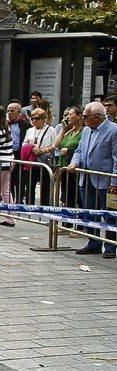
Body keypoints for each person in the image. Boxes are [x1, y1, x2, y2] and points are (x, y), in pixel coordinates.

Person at [67, 102, 117, 258]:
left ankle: (110, 246)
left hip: (105, 180)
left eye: (85, 116)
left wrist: (114, 182)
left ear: (96, 117)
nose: (83, 119)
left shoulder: (113, 130)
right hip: (86, 179)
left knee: (109, 214)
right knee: (89, 212)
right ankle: (94, 242)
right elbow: (80, 150)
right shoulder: (87, 130)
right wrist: (74, 162)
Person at [21, 108, 57, 205]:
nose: (33, 121)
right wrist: (32, 148)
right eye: (32, 118)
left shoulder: (51, 130)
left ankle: (45, 206)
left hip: (45, 160)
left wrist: (43, 150)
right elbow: (24, 144)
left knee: (45, 185)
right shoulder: (29, 130)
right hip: (32, 160)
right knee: (29, 185)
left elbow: (55, 145)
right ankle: (29, 205)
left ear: (43, 119)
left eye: (36, 118)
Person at [54, 106, 85, 209]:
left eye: (71, 114)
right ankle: (66, 223)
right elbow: (57, 144)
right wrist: (63, 128)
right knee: (67, 199)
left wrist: (69, 151)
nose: (68, 117)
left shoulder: (84, 132)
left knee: (78, 199)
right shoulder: (69, 132)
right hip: (64, 169)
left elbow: (81, 150)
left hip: (75, 171)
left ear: (79, 116)